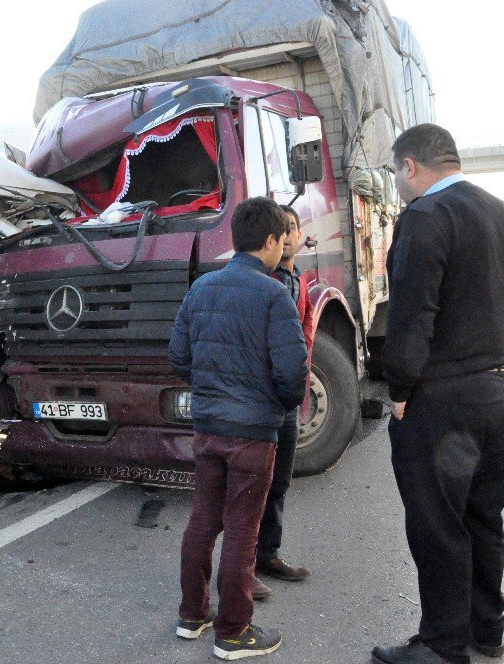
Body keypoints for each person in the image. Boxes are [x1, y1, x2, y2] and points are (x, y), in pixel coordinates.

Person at [372, 123, 504, 664]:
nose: (397, 184)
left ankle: (440, 645)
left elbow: (413, 312)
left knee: (438, 523)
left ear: (411, 166)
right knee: (483, 516)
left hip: (447, 398)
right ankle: (487, 631)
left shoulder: (427, 217)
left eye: (395, 172)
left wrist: (400, 388)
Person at [169, 197, 308, 660]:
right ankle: (233, 632)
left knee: (204, 520)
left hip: (207, 427)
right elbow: (292, 374)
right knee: (243, 532)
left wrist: (211, 389)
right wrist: (276, 405)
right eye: (280, 239)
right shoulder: (273, 294)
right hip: (253, 431)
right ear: (270, 242)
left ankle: (193, 615)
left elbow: (179, 357)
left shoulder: (201, 289)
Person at [252, 205, 315, 601]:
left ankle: (267, 554)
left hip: (287, 401)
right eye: (283, 230)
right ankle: (240, 566)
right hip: (261, 401)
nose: (290, 236)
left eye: (294, 228)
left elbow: (305, 330)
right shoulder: (262, 281)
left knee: (279, 482)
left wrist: (299, 375)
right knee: (251, 485)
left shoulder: (298, 280)